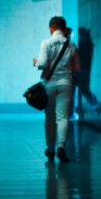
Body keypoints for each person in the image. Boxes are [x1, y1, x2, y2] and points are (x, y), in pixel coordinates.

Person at [34, 16, 80, 162]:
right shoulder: (71, 45)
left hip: (49, 84)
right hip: (66, 83)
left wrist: (35, 63)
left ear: (51, 28)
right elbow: (77, 68)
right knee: (63, 117)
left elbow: (42, 64)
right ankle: (61, 147)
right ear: (64, 28)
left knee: (50, 118)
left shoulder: (46, 43)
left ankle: (50, 149)